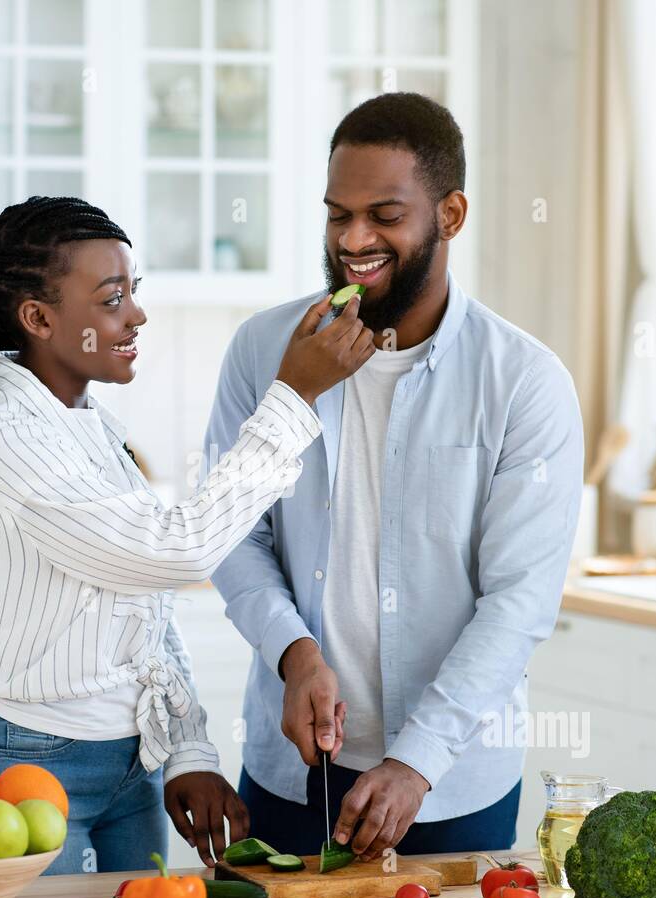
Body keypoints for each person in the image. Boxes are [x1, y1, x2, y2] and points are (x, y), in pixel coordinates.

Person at [0, 196, 375, 874]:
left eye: (134, 292)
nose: (137, 315)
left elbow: (143, 605)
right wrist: (294, 396)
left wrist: (186, 750)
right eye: (111, 299)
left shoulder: (89, 427)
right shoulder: (9, 440)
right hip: (20, 756)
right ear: (38, 318)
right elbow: (175, 552)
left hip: (130, 759)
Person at [203, 93, 585, 859]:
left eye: (384, 214)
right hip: (289, 772)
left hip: (449, 781)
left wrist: (417, 760)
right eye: (337, 214)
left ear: (450, 214)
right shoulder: (264, 348)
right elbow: (231, 531)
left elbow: (518, 602)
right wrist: (293, 651)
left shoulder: (523, 382)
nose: (353, 239)